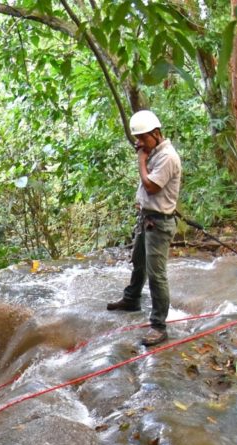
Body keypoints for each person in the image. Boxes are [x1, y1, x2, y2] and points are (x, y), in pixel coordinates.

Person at [106, 109, 182, 347]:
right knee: (138, 260)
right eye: (137, 139)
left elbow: (151, 186)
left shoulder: (167, 156)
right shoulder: (155, 152)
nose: (138, 144)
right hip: (148, 218)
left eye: (142, 138)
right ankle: (131, 299)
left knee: (156, 275)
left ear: (156, 134)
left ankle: (159, 326)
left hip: (159, 223)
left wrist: (141, 159)